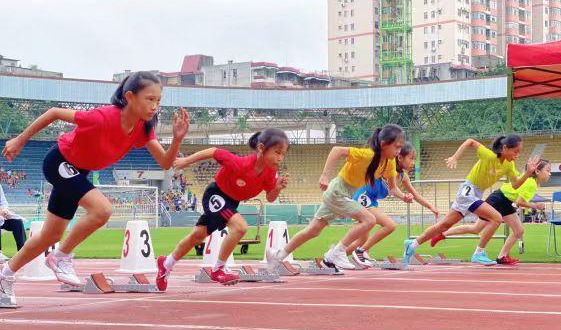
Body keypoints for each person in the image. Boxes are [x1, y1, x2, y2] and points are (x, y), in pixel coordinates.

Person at [0, 71, 189, 302]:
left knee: (50, 235)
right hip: (60, 162)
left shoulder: (143, 128)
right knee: (102, 210)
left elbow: (165, 162)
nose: (155, 106)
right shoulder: (102, 117)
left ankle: (5, 274)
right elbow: (54, 113)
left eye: (158, 101)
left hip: (78, 171)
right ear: (129, 96)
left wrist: (177, 138)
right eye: (149, 99)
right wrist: (20, 140)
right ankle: (61, 256)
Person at [155, 128, 290, 289]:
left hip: (232, 202)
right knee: (240, 227)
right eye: (277, 152)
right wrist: (186, 161)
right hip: (215, 194)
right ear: (261, 148)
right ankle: (218, 269)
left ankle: (166, 263)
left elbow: (270, 197)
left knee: (197, 236)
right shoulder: (241, 163)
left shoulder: (270, 173)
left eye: (283, 154)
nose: (280, 158)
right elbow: (213, 151)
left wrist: (277, 188)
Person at [266, 124, 406, 272]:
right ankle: (337, 252)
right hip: (337, 191)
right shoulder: (366, 155)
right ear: (383, 144)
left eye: (400, 147)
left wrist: (404, 197)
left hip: (346, 194)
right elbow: (336, 150)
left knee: (313, 230)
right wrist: (325, 175)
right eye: (396, 147)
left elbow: (392, 188)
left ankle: (277, 256)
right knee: (369, 219)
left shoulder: (389, 163)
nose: (398, 151)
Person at [402, 135, 540, 266]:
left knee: (444, 226)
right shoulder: (488, 155)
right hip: (468, 190)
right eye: (515, 152)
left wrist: (528, 173)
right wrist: (455, 157)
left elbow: (515, 184)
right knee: (496, 218)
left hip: (476, 194)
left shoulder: (509, 166)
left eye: (519, 153)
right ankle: (479, 253)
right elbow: (470, 141)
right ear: (504, 148)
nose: (517, 155)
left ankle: (412, 244)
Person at [431, 159, 551, 264]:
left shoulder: (530, 181)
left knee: (518, 230)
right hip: (498, 200)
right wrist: (536, 205)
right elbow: (519, 203)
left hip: (505, 201)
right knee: (476, 229)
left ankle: (502, 256)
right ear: (537, 171)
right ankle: (443, 235)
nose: (550, 174)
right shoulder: (531, 184)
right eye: (548, 170)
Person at [347, 142, 439, 267]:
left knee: (362, 239)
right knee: (389, 225)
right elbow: (393, 190)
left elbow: (415, 195)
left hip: (372, 201)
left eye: (414, 159)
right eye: (411, 158)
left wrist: (431, 207)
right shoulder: (388, 166)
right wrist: (403, 196)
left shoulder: (403, 176)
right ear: (400, 157)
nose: (413, 163)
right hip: (363, 197)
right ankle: (361, 251)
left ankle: (333, 256)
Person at [0, 183, 27, 261]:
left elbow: (3, 201)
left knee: (17, 222)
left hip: (1, 216)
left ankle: (22, 253)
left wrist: (4, 210)